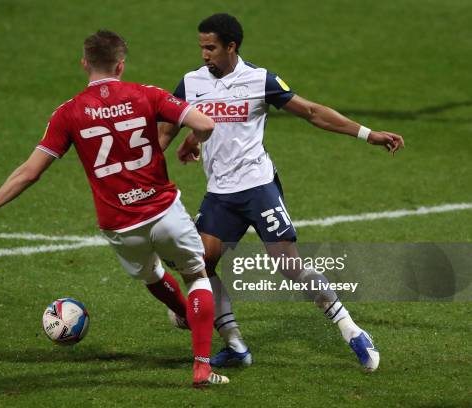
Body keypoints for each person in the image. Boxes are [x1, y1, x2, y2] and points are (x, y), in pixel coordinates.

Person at [0, 30, 229, 387]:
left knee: (152, 276)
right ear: (121, 65)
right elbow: (205, 124)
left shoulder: (68, 113)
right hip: (163, 210)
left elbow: (30, 172)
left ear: (84, 63)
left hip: (119, 224)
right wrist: (192, 143)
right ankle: (201, 366)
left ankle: (184, 313)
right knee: (196, 275)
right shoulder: (147, 94)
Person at [159, 14, 404, 371]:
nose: (204, 55)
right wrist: (188, 141)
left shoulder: (259, 80)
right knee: (200, 265)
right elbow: (180, 123)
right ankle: (236, 346)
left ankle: (352, 331)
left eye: (211, 48)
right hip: (220, 194)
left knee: (290, 266)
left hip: (258, 187)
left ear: (231, 46)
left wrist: (368, 134)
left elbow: (312, 112)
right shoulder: (191, 83)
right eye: (201, 47)